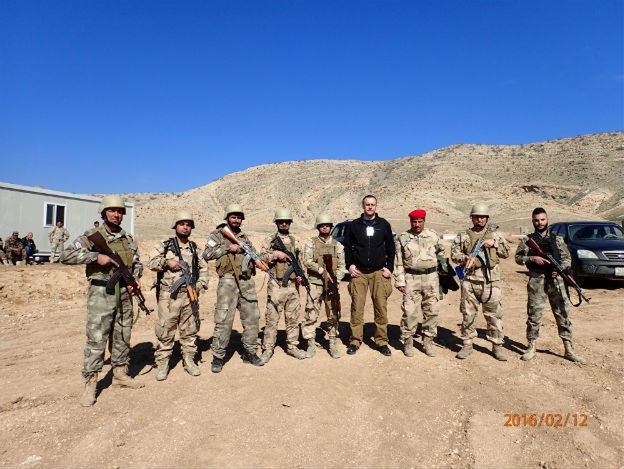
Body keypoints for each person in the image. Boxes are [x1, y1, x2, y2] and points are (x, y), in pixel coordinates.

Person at [61, 195, 144, 406]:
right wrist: (95, 257)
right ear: (104, 212)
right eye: (112, 211)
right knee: (97, 338)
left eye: (120, 211)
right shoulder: (91, 236)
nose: (116, 215)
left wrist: (135, 279)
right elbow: (66, 255)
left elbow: (136, 263)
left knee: (122, 334)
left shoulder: (128, 239)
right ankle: (91, 383)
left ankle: (120, 373)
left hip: (124, 292)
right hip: (101, 293)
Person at [515, 207, 585, 363]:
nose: (539, 223)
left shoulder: (558, 239)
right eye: (536, 220)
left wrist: (560, 270)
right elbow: (518, 258)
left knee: (563, 314)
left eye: (542, 219)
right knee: (534, 314)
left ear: (547, 220)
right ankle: (531, 346)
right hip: (537, 280)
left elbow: (567, 259)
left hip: (556, 282)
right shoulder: (528, 240)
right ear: (533, 221)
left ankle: (568, 349)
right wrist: (533, 259)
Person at [202, 204, 265, 372]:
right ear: (227, 218)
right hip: (227, 281)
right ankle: (218, 356)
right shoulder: (217, 235)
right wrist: (227, 247)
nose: (236, 220)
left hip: (246, 281)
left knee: (252, 317)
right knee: (223, 319)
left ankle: (250, 352)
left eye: (239, 217)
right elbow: (206, 254)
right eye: (233, 217)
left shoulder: (244, 237)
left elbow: (253, 254)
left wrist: (258, 261)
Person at [148, 210, 209, 380]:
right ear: (175, 226)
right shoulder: (165, 245)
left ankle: (189, 360)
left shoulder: (195, 248)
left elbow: (204, 269)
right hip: (169, 296)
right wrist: (167, 262)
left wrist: (200, 285)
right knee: (165, 330)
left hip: (190, 296)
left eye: (188, 224)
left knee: (190, 331)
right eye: (182, 224)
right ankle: (162, 363)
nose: (185, 227)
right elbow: (151, 262)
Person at [451, 203, 510, 361]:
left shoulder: (495, 235)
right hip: (469, 280)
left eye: (482, 217)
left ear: (487, 218)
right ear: (472, 218)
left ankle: (497, 346)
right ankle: (467, 344)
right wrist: (465, 258)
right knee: (468, 314)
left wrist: (494, 244)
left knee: (494, 315)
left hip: (491, 281)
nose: (479, 219)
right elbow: (454, 254)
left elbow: (506, 253)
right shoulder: (463, 235)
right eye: (476, 216)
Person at [344, 195, 395, 356]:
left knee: (381, 307)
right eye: (367, 204)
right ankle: (355, 340)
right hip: (359, 273)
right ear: (363, 206)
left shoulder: (384, 225)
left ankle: (381, 341)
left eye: (372, 204)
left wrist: (389, 268)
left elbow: (391, 248)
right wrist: (350, 265)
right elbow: (347, 247)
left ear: (376, 206)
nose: (370, 207)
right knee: (357, 308)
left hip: (379, 272)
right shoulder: (354, 225)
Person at [394, 209, 445, 357]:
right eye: (414, 222)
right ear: (411, 222)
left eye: (419, 221)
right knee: (409, 312)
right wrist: (400, 281)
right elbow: (398, 261)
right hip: (411, 279)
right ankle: (408, 342)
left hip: (431, 278)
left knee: (432, 311)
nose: (416, 224)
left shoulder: (433, 235)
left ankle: (427, 342)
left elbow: (441, 254)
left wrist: (442, 276)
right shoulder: (403, 238)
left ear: (424, 221)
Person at [259, 208, 306, 364]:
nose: (284, 224)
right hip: (276, 284)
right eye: (281, 222)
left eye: (287, 222)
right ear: (277, 223)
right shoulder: (269, 240)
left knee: (293, 318)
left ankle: (292, 346)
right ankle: (268, 348)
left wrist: (301, 275)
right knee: (272, 319)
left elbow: (300, 261)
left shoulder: (295, 241)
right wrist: (276, 255)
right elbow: (261, 259)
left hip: (293, 285)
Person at [301, 213, 346, 358]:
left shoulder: (337, 245)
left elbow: (341, 265)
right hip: (315, 283)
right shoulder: (311, 243)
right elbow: (306, 260)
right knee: (311, 313)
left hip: (331, 285)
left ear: (331, 227)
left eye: (327, 225)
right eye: (322, 226)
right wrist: (321, 271)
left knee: (333, 313)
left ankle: (332, 342)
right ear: (318, 227)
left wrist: (336, 279)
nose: (325, 228)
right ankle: (310, 343)